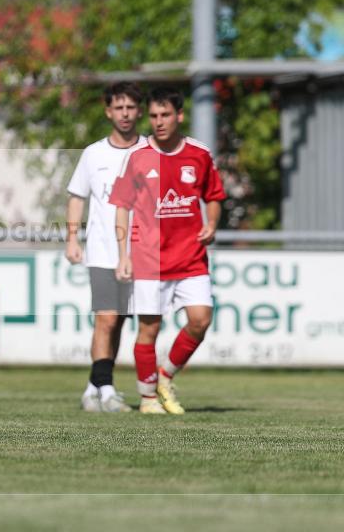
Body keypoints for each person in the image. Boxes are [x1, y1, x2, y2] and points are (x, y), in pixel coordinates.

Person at [109, 86, 225, 415]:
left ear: (179, 116)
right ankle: (148, 399)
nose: (158, 122)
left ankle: (165, 376)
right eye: (154, 116)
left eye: (165, 115)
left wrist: (212, 224)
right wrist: (123, 254)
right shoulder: (138, 156)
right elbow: (121, 206)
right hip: (150, 259)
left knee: (201, 320)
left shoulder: (199, 154)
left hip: (191, 257)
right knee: (149, 329)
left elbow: (213, 196)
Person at [65, 82, 147, 413]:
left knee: (120, 321)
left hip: (141, 252)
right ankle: (108, 390)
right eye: (119, 107)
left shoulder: (151, 151)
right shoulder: (94, 153)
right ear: (108, 111)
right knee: (107, 319)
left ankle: (93, 388)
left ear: (139, 111)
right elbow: (77, 197)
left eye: (130, 107)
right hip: (102, 249)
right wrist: (72, 237)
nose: (125, 114)